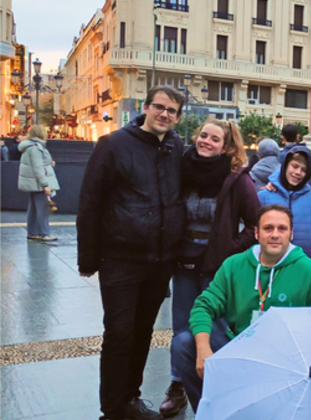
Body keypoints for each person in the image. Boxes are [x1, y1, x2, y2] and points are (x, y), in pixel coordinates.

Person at [77, 86, 186, 420]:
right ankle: (112, 408)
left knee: (142, 333)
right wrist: (88, 258)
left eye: (172, 111)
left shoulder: (175, 145)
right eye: (160, 107)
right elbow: (90, 201)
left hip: (159, 259)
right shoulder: (113, 144)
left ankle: (130, 399)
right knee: (120, 333)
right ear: (145, 107)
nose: (165, 114)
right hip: (121, 258)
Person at [171, 204, 311, 412]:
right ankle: (210, 410)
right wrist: (203, 348)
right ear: (256, 233)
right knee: (183, 345)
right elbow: (204, 305)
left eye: (282, 229)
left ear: (291, 234)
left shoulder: (308, 270)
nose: (275, 234)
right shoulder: (233, 265)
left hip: (284, 358)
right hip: (239, 346)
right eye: (268, 228)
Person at [159, 119, 261, 417]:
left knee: (215, 328)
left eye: (214, 139)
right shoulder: (182, 170)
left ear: (227, 147)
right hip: (184, 260)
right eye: (203, 135)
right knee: (181, 328)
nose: (206, 142)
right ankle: (178, 385)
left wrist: (228, 248)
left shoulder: (237, 179)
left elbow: (255, 224)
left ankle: (218, 387)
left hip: (216, 266)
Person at [258, 145, 311, 263]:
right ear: (285, 166)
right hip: (270, 266)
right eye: (294, 166)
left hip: (305, 267)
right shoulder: (264, 196)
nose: (298, 172)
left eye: (304, 170)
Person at [17, 125, 60, 242]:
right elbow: (38, 168)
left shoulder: (29, 146)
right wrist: (45, 184)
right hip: (38, 183)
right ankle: (45, 233)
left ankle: (32, 232)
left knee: (33, 208)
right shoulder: (37, 148)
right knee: (43, 208)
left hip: (32, 182)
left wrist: (48, 163)